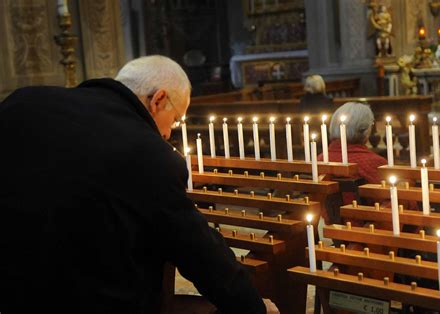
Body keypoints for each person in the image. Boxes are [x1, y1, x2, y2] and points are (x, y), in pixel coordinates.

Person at [0, 55, 278, 314]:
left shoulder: (23, 103)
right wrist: (253, 306)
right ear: (158, 100)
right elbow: (200, 252)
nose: (169, 133)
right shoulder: (149, 153)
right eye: (176, 119)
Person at [318, 102, 387, 221]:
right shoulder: (374, 163)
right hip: (366, 231)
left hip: (330, 229)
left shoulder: (320, 159)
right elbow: (389, 204)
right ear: (365, 131)